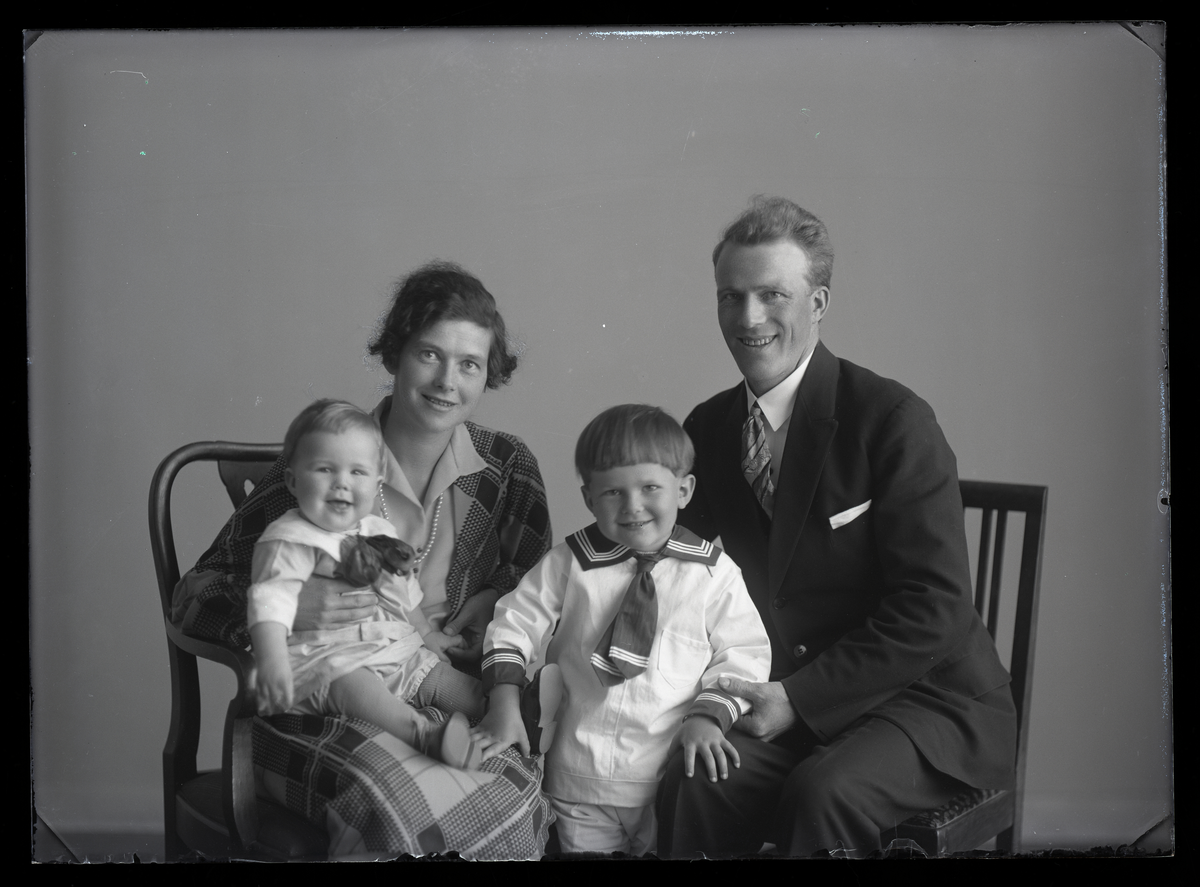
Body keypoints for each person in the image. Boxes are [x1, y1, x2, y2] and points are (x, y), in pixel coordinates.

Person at [656, 197, 1017, 858]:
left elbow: (935, 607)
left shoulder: (892, 418)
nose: (748, 318)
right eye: (731, 297)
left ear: (818, 302)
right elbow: (676, 573)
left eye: (772, 294)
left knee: (823, 792)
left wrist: (798, 697)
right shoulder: (707, 429)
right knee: (697, 779)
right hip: (782, 696)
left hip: (925, 704)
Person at [171, 260, 556, 857]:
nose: (447, 381)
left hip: (436, 683)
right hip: (325, 698)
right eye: (429, 355)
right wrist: (290, 611)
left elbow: (537, 584)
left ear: (488, 374)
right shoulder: (328, 465)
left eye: (469, 364)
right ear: (395, 354)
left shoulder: (506, 466)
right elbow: (195, 592)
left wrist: (490, 600)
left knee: (510, 787)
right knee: (398, 805)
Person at [475, 404, 771, 855]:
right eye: (613, 492)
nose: (633, 506)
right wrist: (503, 702)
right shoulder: (568, 563)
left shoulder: (714, 574)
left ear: (684, 490)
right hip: (577, 773)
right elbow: (513, 623)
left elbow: (745, 653)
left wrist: (709, 717)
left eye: (650, 487)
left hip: (664, 773)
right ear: (589, 498)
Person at [247, 399, 487, 769]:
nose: (341, 483)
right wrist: (272, 660)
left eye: (357, 472)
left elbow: (404, 591)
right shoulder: (291, 540)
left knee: (443, 676)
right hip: (327, 663)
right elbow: (269, 602)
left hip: (392, 650)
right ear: (293, 480)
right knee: (350, 682)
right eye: (325, 469)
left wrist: (426, 634)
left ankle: (513, 711)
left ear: (377, 484)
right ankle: (424, 735)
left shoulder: (377, 531)